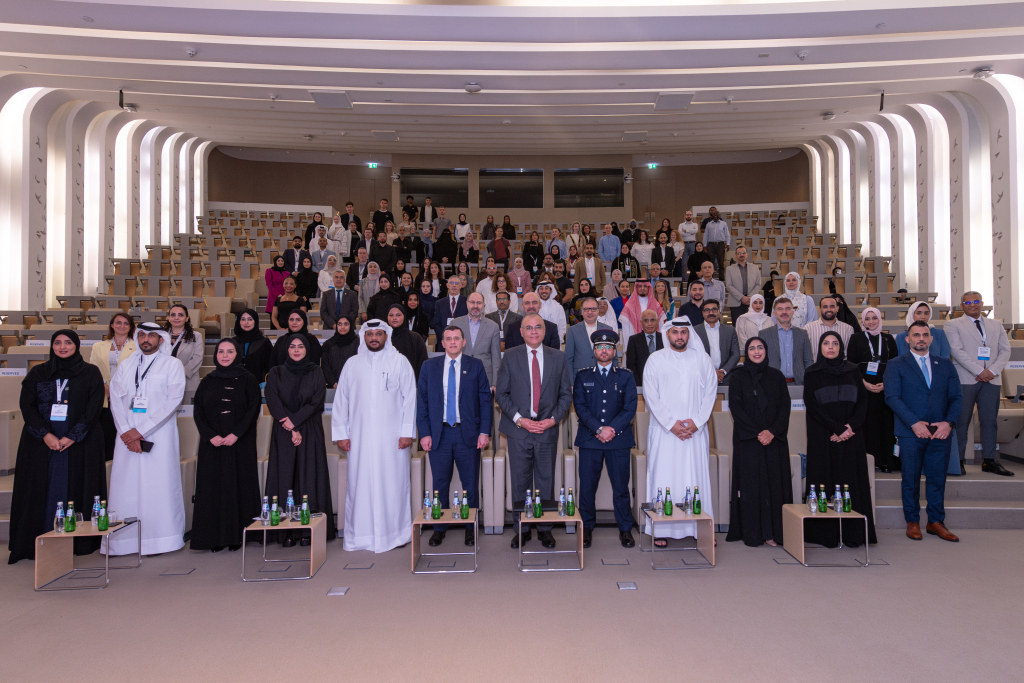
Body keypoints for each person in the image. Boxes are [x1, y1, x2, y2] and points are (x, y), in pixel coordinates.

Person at [8, 330, 107, 563]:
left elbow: (94, 407)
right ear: (52, 346)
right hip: (41, 442)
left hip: (80, 442)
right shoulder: (38, 372)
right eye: (58, 343)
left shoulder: (90, 372)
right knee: (40, 488)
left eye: (68, 342)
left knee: (76, 485)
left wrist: (73, 436)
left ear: (77, 345)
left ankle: (76, 541)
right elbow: (27, 406)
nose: (62, 347)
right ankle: (39, 539)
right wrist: (45, 435)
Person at [333, 321, 417, 552]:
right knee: (359, 486)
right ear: (364, 337)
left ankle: (396, 534)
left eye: (378, 333)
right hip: (359, 439)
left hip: (392, 440)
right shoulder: (352, 364)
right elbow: (341, 401)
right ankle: (360, 537)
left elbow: (410, 398)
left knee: (393, 485)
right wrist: (341, 434)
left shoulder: (399, 361)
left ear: (386, 336)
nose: (373, 337)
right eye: (369, 334)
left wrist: (407, 432)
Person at [105, 323, 186, 556]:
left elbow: (173, 402)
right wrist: (126, 432)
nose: (145, 339)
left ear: (161, 339)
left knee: (159, 486)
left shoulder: (172, 364)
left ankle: (162, 540)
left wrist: (140, 431)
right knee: (125, 487)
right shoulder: (126, 365)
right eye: (141, 335)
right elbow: (115, 400)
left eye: (151, 335)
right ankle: (124, 542)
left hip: (159, 436)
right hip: (126, 439)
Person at [496, 313, 573, 549]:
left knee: (545, 481)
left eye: (537, 327)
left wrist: (553, 420)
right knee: (519, 482)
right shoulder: (510, 356)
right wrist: (520, 420)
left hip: (546, 430)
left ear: (544, 330)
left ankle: (545, 529)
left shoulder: (558, 357)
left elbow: (565, 395)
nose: (533, 331)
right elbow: (502, 394)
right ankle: (521, 528)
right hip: (519, 430)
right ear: (521, 332)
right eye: (528, 328)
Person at [884, 321, 964, 542]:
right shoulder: (896, 364)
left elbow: (956, 397)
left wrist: (949, 423)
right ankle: (912, 521)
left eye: (925, 335)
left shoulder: (945, 364)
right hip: (910, 432)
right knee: (910, 479)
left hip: (940, 432)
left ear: (931, 338)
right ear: (907, 339)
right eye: (916, 335)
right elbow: (892, 397)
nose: (921, 338)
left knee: (937, 479)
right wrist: (914, 423)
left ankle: (935, 521)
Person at [643, 318, 718, 546]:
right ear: (667, 334)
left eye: (683, 332)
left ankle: (700, 529)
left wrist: (697, 422)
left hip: (695, 433)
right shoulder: (655, 359)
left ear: (689, 334)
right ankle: (660, 529)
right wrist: (671, 424)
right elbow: (650, 395)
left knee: (695, 479)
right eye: (675, 332)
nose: (679, 336)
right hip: (664, 432)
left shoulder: (703, 359)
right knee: (663, 477)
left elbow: (711, 393)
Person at [417, 326, 492, 547]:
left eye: (456, 338)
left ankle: (470, 527)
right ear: (442, 343)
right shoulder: (429, 367)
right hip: (438, 434)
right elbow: (422, 402)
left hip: (467, 434)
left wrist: (484, 431)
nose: (452, 342)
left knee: (470, 484)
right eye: (448, 339)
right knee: (439, 484)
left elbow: (485, 401)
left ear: (463, 342)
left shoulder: (475, 365)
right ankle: (439, 528)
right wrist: (424, 433)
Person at [802, 332, 877, 547]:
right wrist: (837, 428)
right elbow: (812, 406)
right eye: (826, 343)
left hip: (851, 437)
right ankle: (825, 535)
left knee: (850, 482)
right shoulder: (812, 372)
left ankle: (854, 534)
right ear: (820, 347)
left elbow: (862, 402)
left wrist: (849, 427)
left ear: (841, 347)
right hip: (823, 437)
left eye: (835, 343)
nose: (831, 347)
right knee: (824, 483)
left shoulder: (853, 370)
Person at [190, 339, 261, 553]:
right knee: (213, 488)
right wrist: (210, 435)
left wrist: (235, 434)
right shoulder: (207, 380)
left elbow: (253, 410)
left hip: (240, 443)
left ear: (237, 354)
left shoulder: (248, 379)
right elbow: (198, 411)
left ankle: (238, 535)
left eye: (230, 351)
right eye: (221, 351)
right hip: (212, 444)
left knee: (238, 486)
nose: (225, 355)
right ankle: (214, 537)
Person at [265, 335, 335, 546]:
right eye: (292, 346)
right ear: (287, 349)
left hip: (309, 429)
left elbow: (316, 402)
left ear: (307, 350)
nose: (296, 350)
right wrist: (290, 425)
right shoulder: (276, 372)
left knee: (309, 477)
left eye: (301, 346)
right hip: (283, 430)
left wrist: (294, 422)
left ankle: (308, 530)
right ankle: (285, 531)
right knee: (285, 476)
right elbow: (272, 398)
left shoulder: (316, 371)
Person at [572, 329, 637, 549]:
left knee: (621, 487)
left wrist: (611, 430)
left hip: (618, 440)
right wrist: (599, 429)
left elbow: (630, 408)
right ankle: (586, 528)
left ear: (614, 351)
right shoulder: (583, 376)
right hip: (590, 439)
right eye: (600, 347)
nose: (604, 351)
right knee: (587, 487)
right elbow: (580, 406)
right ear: (594, 351)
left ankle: (625, 529)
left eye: (608, 347)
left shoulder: (625, 376)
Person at [725, 337, 792, 548]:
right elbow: (736, 409)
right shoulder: (738, 376)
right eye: (752, 348)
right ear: (746, 352)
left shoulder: (777, 376)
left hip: (774, 440)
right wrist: (757, 433)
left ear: (766, 350)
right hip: (749, 441)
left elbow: (785, 407)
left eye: (760, 347)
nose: (756, 351)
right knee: (752, 487)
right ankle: (752, 533)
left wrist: (772, 432)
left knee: (774, 486)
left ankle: (773, 532)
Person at [946, 291, 1014, 476]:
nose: (972, 305)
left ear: (982, 303)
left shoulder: (996, 324)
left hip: (992, 379)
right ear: (962, 306)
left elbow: (1005, 350)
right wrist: (979, 371)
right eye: (968, 302)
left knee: (990, 421)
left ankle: (989, 461)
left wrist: (992, 371)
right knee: (962, 421)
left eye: (976, 301)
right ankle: (958, 461)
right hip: (966, 378)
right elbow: (956, 351)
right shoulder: (953, 324)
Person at [847, 307, 900, 472]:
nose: (871, 322)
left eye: (874, 318)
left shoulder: (888, 339)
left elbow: (895, 365)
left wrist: (886, 384)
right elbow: (851, 365)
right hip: (863, 388)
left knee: (885, 425)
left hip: (884, 389)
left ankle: (885, 461)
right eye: (867, 319)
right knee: (867, 425)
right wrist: (863, 383)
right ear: (863, 321)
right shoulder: (855, 338)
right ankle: (867, 461)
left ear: (879, 319)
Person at [88, 311, 136, 460]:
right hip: (104, 395)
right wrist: (106, 389)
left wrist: (117, 391)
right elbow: (93, 370)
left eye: (126, 323)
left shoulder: (137, 346)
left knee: (125, 433)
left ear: (130, 327)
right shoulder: (98, 346)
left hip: (127, 394)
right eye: (118, 322)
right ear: (112, 325)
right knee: (107, 433)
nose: (122, 326)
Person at [452, 293, 501, 389]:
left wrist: (495, 383)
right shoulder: (455, 323)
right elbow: (450, 352)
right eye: (472, 302)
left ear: (483, 305)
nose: (475, 306)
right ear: (467, 304)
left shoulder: (493, 326)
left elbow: (496, 358)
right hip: (459, 373)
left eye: (479, 303)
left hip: (485, 376)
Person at [762, 297, 814, 384]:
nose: (784, 312)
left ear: (792, 313)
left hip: (798, 384)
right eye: (780, 309)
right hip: (772, 384)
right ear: (774, 314)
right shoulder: (764, 334)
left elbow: (808, 361)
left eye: (788, 309)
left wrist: (808, 381)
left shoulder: (803, 334)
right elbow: (761, 362)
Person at [565, 297, 612, 382]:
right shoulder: (573, 330)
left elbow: (613, 357)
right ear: (582, 311)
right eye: (586, 309)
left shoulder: (608, 330)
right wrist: (571, 382)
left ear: (598, 310)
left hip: (604, 379)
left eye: (593, 309)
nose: (590, 312)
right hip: (580, 379)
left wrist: (612, 379)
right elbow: (568, 359)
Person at [693, 299, 740, 383]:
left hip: (726, 377)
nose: (711, 313)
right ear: (702, 313)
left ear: (719, 311)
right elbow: (693, 354)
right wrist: (710, 371)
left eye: (714, 309)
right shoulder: (694, 331)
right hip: (702, 378)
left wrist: (723, 371)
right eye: (707, 310)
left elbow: (735, 354)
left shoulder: (730, 330)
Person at [164, 304, 202, 403]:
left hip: (188, 381)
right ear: (168, 318)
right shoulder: (160, 336)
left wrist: (179, 373)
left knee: (186, 411)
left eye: (180, 315)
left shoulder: (196, 336)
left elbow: (197, 358)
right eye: (173, 315)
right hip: (164, 380)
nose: (176, 318)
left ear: (187, 318)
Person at [387, 303, 429, 381]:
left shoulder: (415, 338)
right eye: (391, 315)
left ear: (404, 316)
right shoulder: (384, 338)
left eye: (398, 315)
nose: (394, 318)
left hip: (411, 382)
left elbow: (422, 363)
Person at [804, 296, 854, 360]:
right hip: (816, 366)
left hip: (840, 366)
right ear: (820, 309)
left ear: (837, 308)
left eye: (832, 306)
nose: (829, 310)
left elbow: (849, 355)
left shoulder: (848, 329)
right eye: (825, 307)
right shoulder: (808, 328)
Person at [232, 309, 272, 383]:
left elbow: (270, 367)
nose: (246, 322)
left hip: (258, 384)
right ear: (238, 322)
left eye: (250, 319)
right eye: (243, 319)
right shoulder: (232, 342)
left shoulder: (264, 342)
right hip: (235, 384)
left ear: (255, 321)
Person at [431, 274, 470, 350]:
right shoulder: (439, 303)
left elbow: (468, 322)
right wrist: (445, 337)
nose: (454, 285)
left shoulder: (467, 302)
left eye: (457, 283)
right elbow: (436, 323)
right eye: (451, 283)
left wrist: (459, 337)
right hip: (443, 343)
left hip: (461, 343)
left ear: (460, 286)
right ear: (447, 285)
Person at [625, 310, 662, 388]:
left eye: (652, 320)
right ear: (641, 322)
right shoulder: (633, 340)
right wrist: (640, 386)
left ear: (657, 321)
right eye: (646, 320)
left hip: (662, 384)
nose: (649, 323)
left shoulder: (665, 339)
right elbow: (631, 366)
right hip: (641, 385)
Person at [726, 245, 762, 322]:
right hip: (735, 303)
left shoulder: (755, 268)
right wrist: (742, 297)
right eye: (739, 253)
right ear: (736, 255)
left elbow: (758, 284)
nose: (741, 255)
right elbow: (729, 285)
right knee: (737, 326)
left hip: (751, 302)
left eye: (743, 253)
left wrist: (749, 297)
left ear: (747, 254)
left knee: (751, 325)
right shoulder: (729, 269)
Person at [321, 316, 358, 389]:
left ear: (351, 325)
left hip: (354, 386)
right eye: (339, 324)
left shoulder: (358, 343)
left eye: (346, 324)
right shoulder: (328, 344)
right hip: (333, 386)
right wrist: (333, 383)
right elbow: (325, 366)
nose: (342, 327)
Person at [702, 207, 731, 280]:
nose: (715, 215)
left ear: (719, 215)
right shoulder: (708, 224)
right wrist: (705, 245)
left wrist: (728, 244)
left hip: (720, 244)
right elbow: (706, 236)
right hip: (710, 245)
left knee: (721, 262)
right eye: (714, 214)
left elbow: (727, 234)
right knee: (710, 262)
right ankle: (710, 277)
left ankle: (721, 278)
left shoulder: (723, 224)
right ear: (712, 215)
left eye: (717, 214)